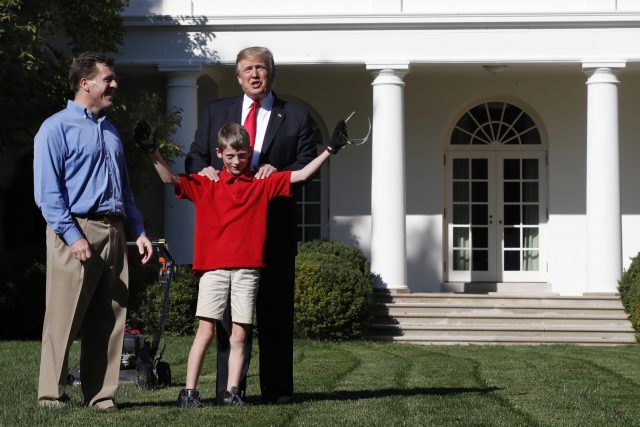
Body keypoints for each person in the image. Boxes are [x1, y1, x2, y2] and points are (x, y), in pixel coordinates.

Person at [141, 121, 346, 407]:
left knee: (240, 332)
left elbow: (300, 175)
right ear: (219, 153)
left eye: (242, 155)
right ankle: (189, 392)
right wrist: (152, 151)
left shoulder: (262, 183)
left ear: (249, 152)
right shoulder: (206, 183)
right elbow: (169, 180)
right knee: (207, 330)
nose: (236, 162)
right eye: (229, 156)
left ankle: (232, 392)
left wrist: (329, 149)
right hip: (213, 269)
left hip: (248, 270)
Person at [185, 46, 318, 404]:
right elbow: (195, 154)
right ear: (238, 76)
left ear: (271, 74)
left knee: (275, 312)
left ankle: (277, 390)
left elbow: (306, 161)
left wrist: (282, 171)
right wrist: (204, 170)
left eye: (261, 68)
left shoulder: (296, 115)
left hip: (274, 229)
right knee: (228, 319)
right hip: (228, 236)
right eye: (248, 69)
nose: (255, 74)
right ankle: (230, 391)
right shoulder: (217, 111)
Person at [33, 51, 153, 410]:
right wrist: (73, 236)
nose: (115, 84)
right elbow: (48, 193)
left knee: (110, 317)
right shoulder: (55, 128)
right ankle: (51, 394)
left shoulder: (112, 131)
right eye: (108, 79)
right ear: (85, 83)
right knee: (63, 316)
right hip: (76, 229)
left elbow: (125, 191)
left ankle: (101, 394)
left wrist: (140, 231)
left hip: (115, 231)